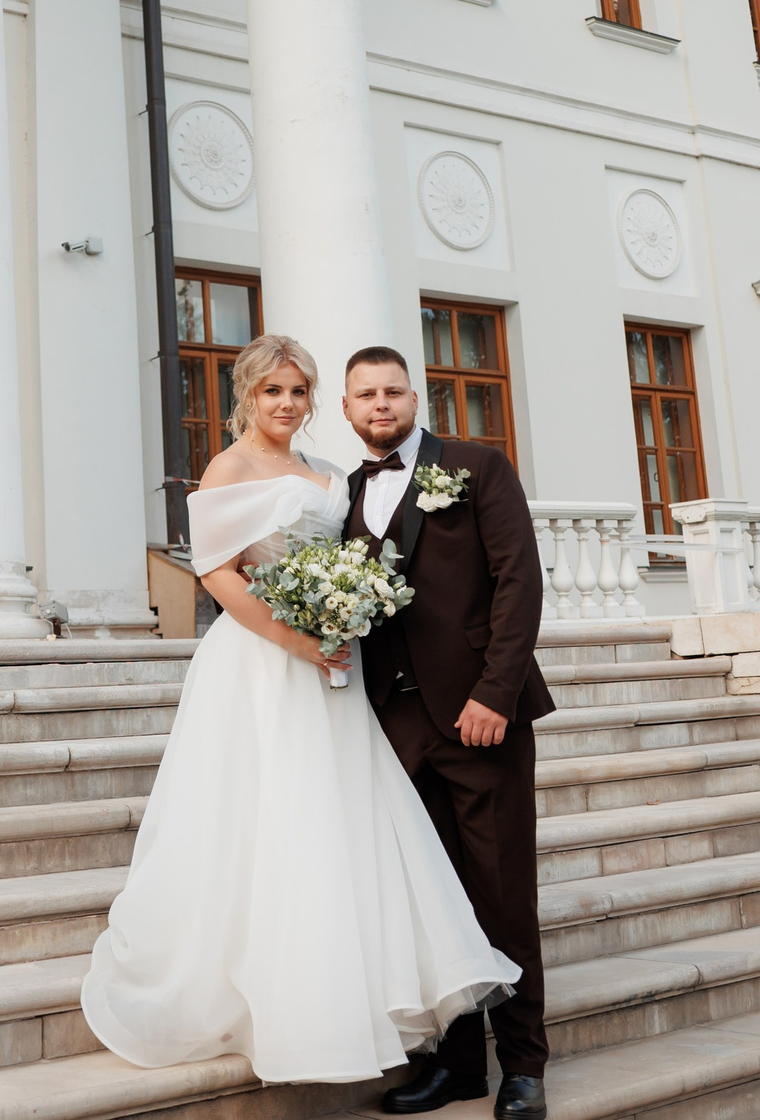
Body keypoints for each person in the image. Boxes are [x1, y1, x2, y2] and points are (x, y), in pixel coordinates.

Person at [80, 334, 519, 1087]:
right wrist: (295, 637)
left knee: (339, 823)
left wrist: (341, 623)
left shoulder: (326, 472)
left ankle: (362, 998)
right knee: (270, 818)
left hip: (335, 674)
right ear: (246, 396)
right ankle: (274, 1001)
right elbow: (217, 572)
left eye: (297, 391)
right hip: (262, 664)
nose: (286, 404)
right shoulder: (228, 467)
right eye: (271, 391)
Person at [345, 345, 551, 1120]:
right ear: (347, 408)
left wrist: (496, 691)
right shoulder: (340, 493)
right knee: (434, 904)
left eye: (392, 390)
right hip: (391, 726)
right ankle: (459, 1064)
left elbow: (518, 580)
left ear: (414, 396)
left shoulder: (475, 466)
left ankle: (524, 1066)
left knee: (501, 895)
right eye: (365, 394)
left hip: (479, 720)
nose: (380, 404)